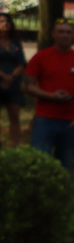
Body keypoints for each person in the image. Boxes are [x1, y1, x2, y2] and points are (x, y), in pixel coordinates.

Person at [24, 18, 74, 172]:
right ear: (53, 34)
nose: (65, 35)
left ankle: (61, 196)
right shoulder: (41, 57)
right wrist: (51, 96)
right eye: (61, 31)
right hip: (45, 119)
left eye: (68, 32)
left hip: (71, 122)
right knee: (38, 164)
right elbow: (27, 86)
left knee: (64, 167)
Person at [0, 12, 27, 147]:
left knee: (15, 116)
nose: (5, 24)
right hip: (1, 79)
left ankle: (15, 145)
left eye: (7, 21)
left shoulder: (16, 43)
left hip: (13, 83)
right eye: (2, 22)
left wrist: (12, 77)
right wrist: (3, 76)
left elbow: (21, 63)